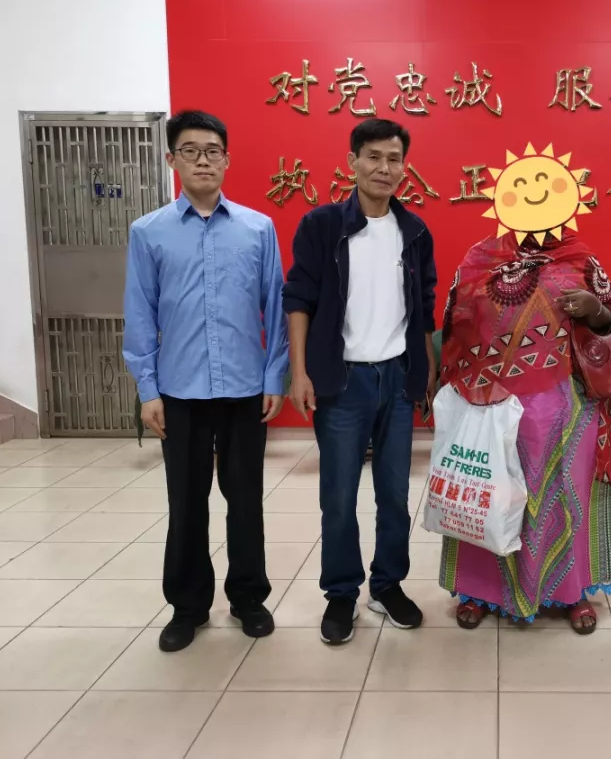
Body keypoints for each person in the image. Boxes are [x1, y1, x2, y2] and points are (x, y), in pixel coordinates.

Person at [437, 145, 611, 633]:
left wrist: (595, 310)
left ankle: (570, 593)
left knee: (565, 496)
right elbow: (455, 321)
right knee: (488, 490)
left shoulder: (581, 259)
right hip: (490, 402)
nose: (532, 196)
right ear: (502, 197)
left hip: (567, 405)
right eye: (519, 186)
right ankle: (479, 591)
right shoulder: (479, 258)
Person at [123, 110, 288, 653]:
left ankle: (248, 598)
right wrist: (148, 389)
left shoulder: (257, 228)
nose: (202, 160)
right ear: (172, 159)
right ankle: (188, 607)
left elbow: (275, 308)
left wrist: (274, 376)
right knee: (187, 502)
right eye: (190, 151)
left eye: (212, 150)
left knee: (246, 501)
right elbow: (140, 313)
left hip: (244, 390)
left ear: (227, 159)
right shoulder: (148, 232)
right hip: (180, 392)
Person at [283, 118, 437, 646]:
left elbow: (424, 309)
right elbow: (298, 300)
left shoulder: (414, 231)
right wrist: (300, 371)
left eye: (394, 159)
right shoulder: (322, 225)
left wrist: (426, 370)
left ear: (404, 166)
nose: (384, 168)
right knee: (339, 495)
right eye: (373, 157)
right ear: (352, 162)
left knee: (394, 494)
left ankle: (387, 585)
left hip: (396, 378)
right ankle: (342, 593)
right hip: (342, 382)